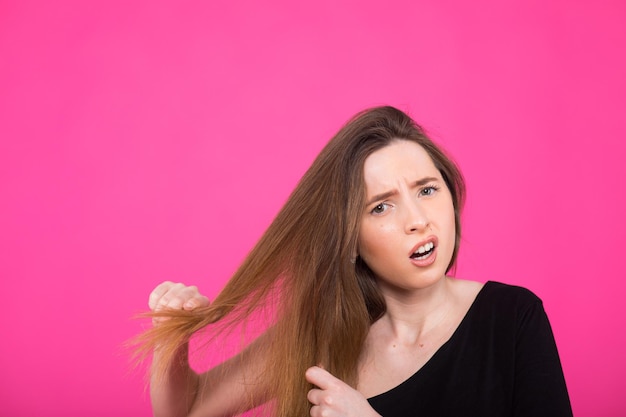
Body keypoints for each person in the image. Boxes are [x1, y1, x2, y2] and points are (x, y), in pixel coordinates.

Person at [137, 106, 573, 417]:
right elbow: (189, 409)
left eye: (426, 189)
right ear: (348, 240)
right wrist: (167, 343)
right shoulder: (318, 335)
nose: (418, 220)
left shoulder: (514, 318)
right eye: (381, 207)